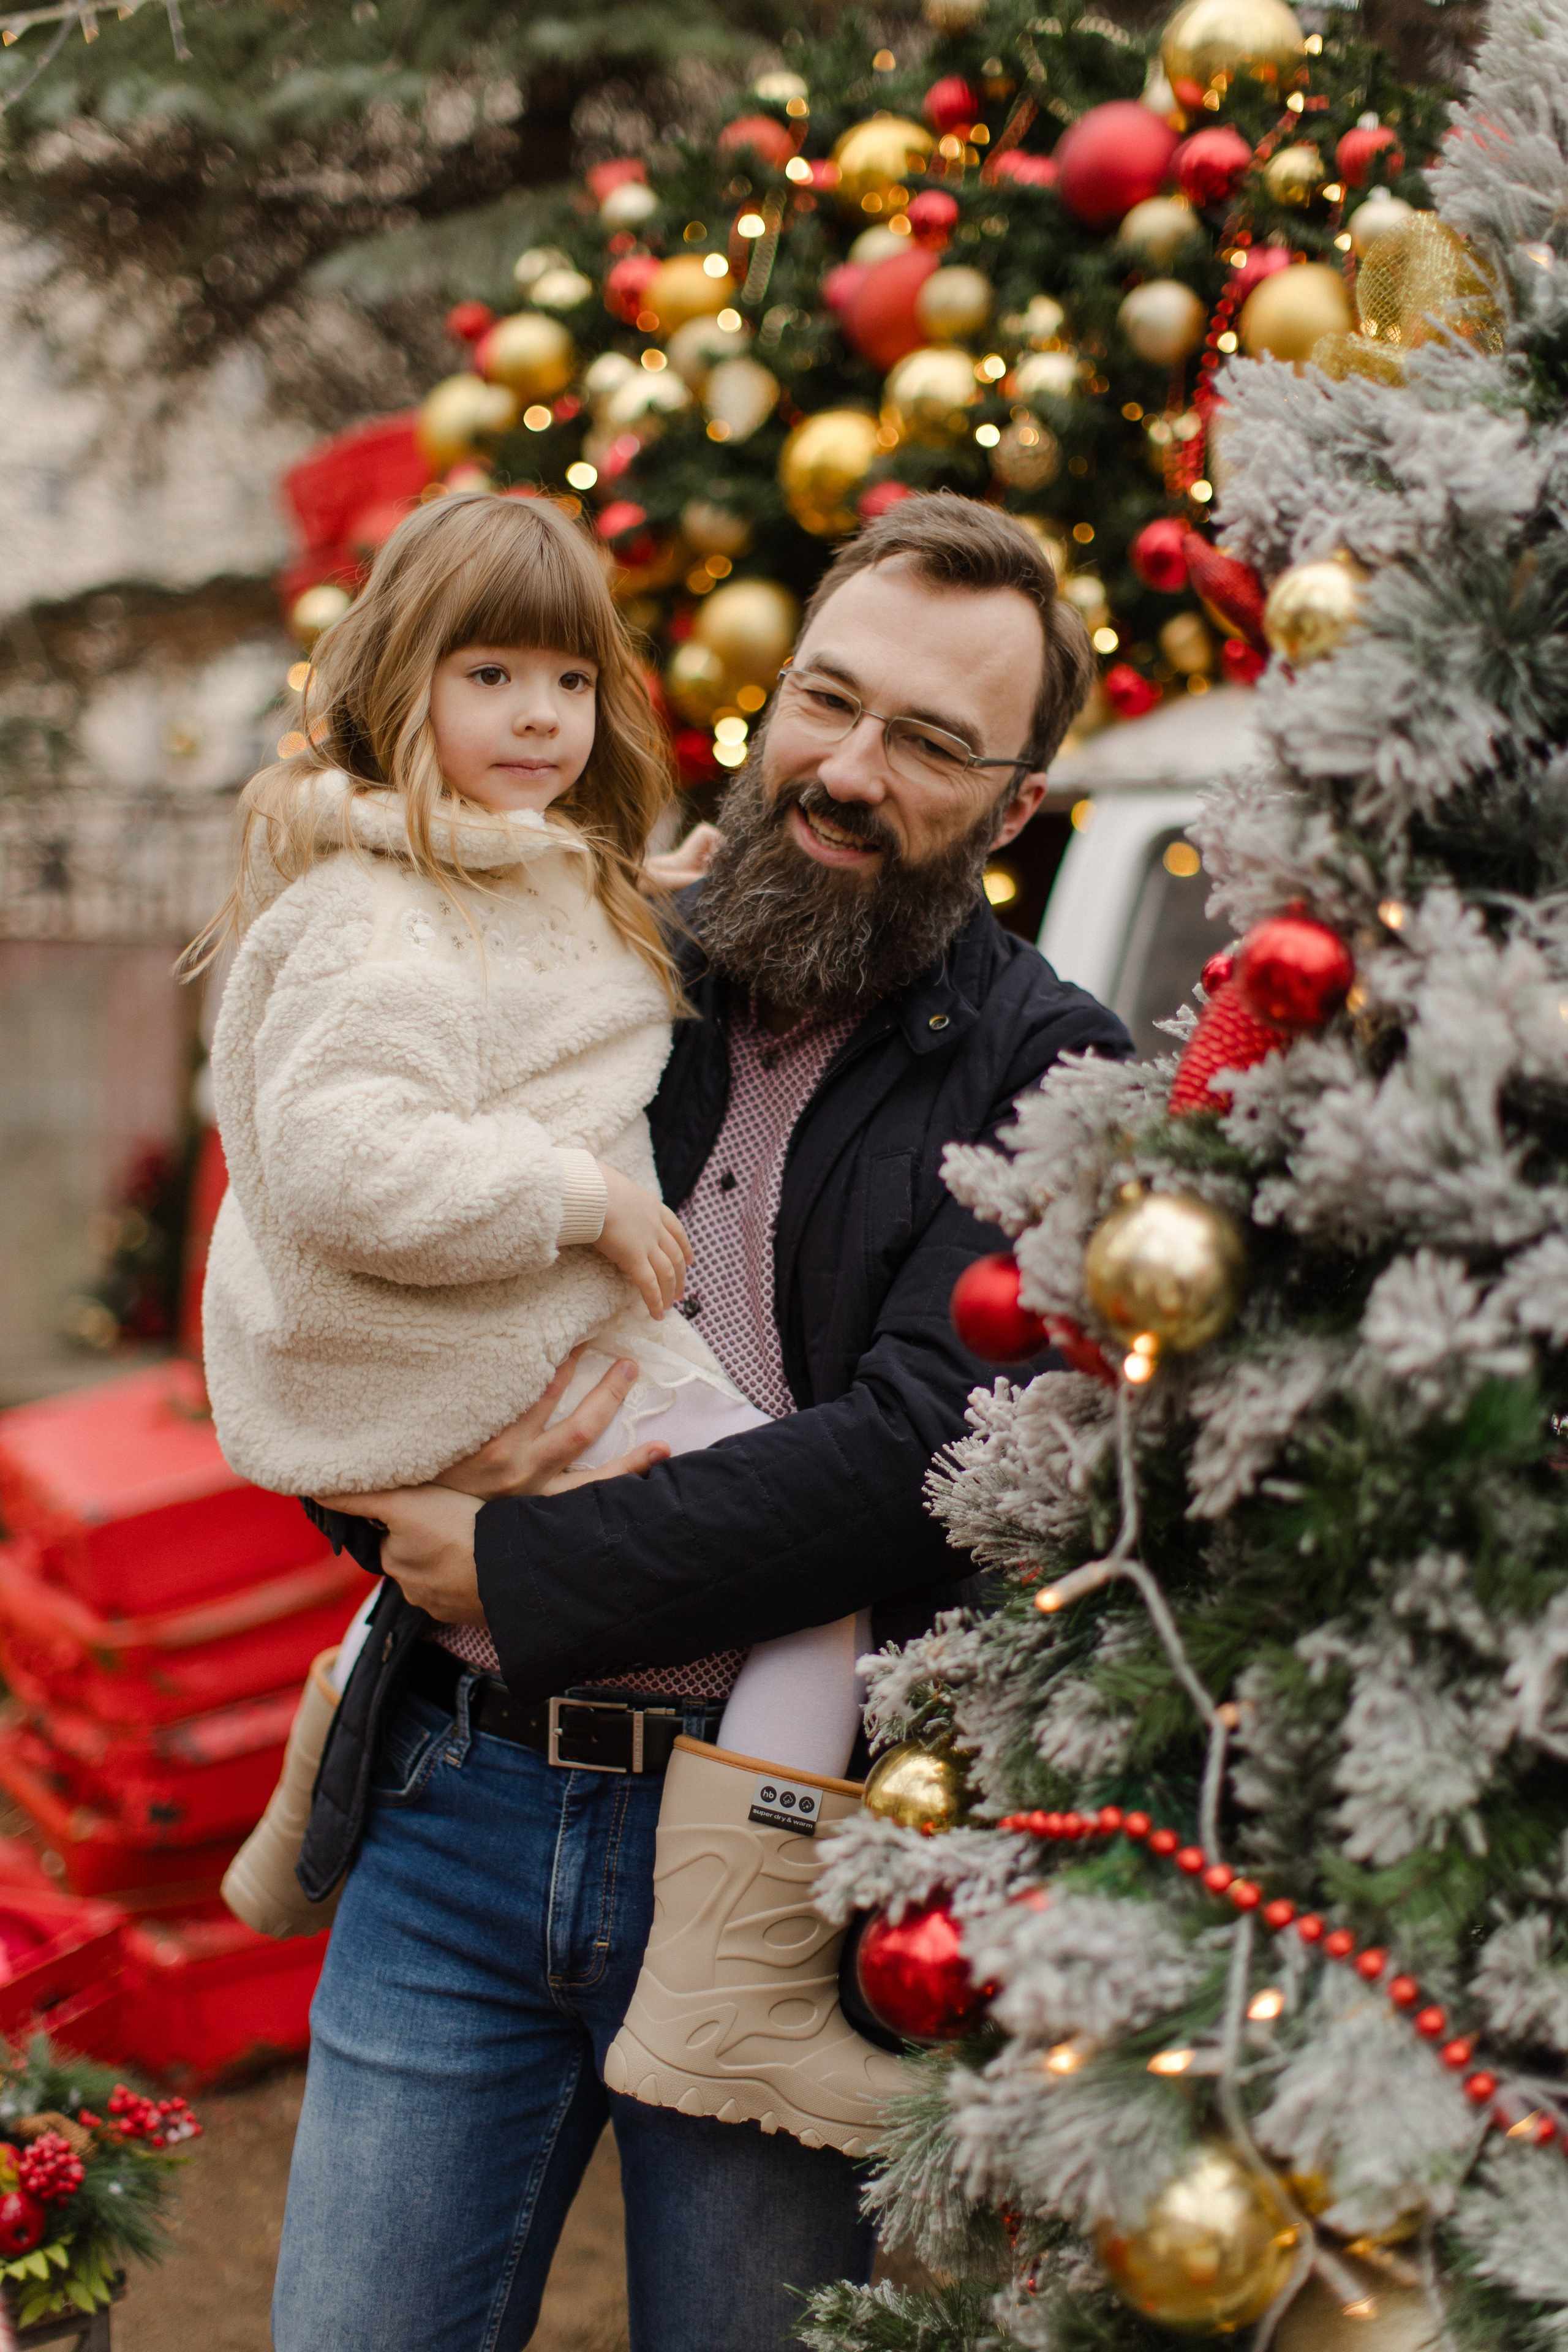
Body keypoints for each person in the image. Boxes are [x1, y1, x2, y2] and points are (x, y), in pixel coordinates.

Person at [273, 492, 1131, 2352]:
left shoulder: (1055, 1074)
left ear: (1016, 808)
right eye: (829, 702)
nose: (846, 768)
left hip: (787, 1868)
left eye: (926, 744)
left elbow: (920, 1462)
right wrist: (388, 1519)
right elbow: (350, 1243)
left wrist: (514, 1555)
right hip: (459, 1802)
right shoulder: (577, 946)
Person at [198, 494, 876, 1945]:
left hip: (491, 1346)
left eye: (571, 680)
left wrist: (649, 886)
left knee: (490, 1551)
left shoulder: (482, 866)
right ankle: (743, 1976)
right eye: (491, 675)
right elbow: (345, 1159)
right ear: (403, 684)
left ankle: (327, 1744)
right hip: (499, 1337)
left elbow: (524, 966)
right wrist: (580, 1198)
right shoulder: (375, 921)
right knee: (814, 1583)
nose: (541, 716)